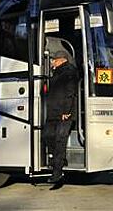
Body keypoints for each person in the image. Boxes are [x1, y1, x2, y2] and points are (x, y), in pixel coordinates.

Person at [42, 49, 78, 184]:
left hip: (64, 114)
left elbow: (70, 93)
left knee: (59, 140)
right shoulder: (57, 73)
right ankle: (59, 161)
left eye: (54, 60)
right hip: (54, 112)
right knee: (47, 135)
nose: (52, 62)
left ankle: (57, 172)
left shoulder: (69, 72)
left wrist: (67, 111)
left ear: (61, 60)